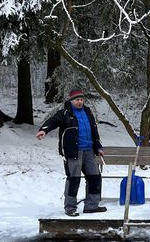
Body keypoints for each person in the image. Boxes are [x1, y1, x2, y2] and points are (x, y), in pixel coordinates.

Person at [36, 89, 107, 217]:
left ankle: (92, 205)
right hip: (73, 151)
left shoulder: (88, 112)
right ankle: (70, 207)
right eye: (77, 100)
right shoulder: (65, 113)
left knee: (95, 177)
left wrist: (99, 147)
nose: (80, 102)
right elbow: (53, 121)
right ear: (71, 101)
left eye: (81, 99)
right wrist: (44, 130)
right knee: (74, 179)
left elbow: (94, 131)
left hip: (89, 150)